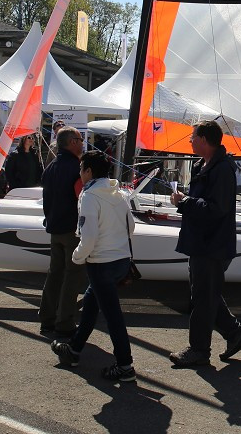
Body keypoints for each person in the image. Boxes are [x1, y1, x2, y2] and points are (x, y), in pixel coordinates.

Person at [168, 120, 241, 367]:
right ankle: (236, 333)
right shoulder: (202, 165)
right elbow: (204, 202)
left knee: (202, 298)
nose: (190, 141)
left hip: (212, 244)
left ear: (204, 140)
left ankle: (198, 351)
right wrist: (186, 200)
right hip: (200, 241)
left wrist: (184, 203)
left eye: (192, 137)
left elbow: (217, 209)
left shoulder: (222, 168)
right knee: (206, 294)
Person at [51, 151, 137, 382]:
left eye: (81, 169)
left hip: (102, 262)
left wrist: (77, 257)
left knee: (112, 315)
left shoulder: (89, 196)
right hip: (121, 260)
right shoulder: (118, 193)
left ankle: (125, 364)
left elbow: (88, 236)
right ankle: (75, 349)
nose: (80, 173)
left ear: (88, 171)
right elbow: (131, 227)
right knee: (91, 303)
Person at [39, 127, 88, 340]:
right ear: (71, 142)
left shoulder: (50, 168)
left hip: (54, 227)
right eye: (80, 138)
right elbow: (82, 198)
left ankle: (47, 319)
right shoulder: (77, 168)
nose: (83, 142)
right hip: (71, 230)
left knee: (55, 274)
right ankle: (65, 322)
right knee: (72, 276)